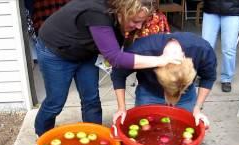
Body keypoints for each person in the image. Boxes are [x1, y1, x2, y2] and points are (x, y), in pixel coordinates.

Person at [34, 0, 180, 136]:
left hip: (85, 51)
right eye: (135, 21)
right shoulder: (98, 13)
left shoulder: (120, 17)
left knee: (91, 99)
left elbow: (122, 54)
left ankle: (94, 138)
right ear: (123, 11)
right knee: (55, 102)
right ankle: (42, 138)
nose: (139, 27)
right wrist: (161, 60)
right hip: (55, 51)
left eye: (141, 22)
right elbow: (116, 58)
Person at [111, 32, 217, 126]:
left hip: (186, 95)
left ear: (184, 56)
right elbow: (118, 73)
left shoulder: (202, 49)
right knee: (145, 127)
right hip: (149, 92)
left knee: (184, 125)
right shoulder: (141, 49)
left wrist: (197, 108)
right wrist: (121, 108)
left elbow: (209, 77)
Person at [202, 0, 239, 92]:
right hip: (211, 7)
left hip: (234, 9)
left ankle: (226, 78)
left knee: (229, 48)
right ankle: (204, 74)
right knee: (205, 46)